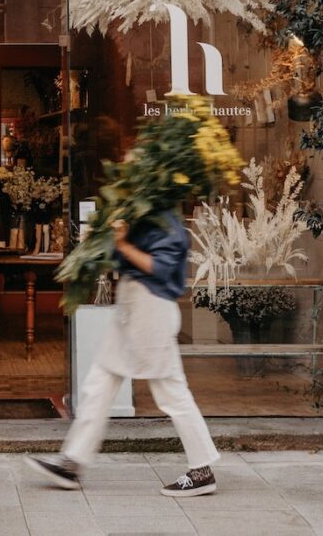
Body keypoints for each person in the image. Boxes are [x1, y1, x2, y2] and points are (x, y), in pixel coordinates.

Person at [26, 212, 220, 497]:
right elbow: (125, 260)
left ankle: (202, 469)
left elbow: (160, 267)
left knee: (171, 392)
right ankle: (72, 462)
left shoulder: (166, 220)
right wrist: (100, 242)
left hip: (152, 311)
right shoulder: (140, 211)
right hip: (132, 308)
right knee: (99, 383)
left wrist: (121, 242)